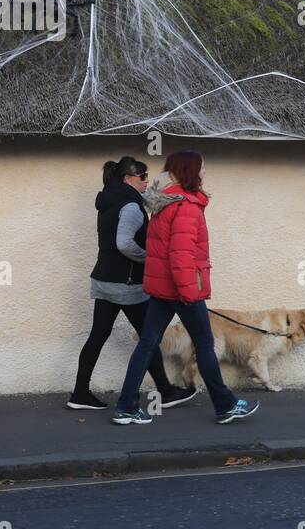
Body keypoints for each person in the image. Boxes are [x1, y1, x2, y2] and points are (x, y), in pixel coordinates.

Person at [113, 150, 259, 425]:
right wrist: (190, 294)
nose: (205, 173)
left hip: (161, 290)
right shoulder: (186, 206)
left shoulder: (165, 202)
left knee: (147, 344)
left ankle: (126, 406)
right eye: (202, 168)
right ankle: (225, 404)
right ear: (191, 171)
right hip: (181, 289)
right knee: (205, 342)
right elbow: (180, 257)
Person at [68, 156, 198, 411]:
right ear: (128, 179)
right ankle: (166, 391)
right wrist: (150, 259)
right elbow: (124, 243)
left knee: (98, 336)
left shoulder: (110, 200)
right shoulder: (129, 206)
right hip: (126, 285)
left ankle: (80, 394)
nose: (147, 181)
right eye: (142, 177)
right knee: (149, 337)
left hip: (105, 280)